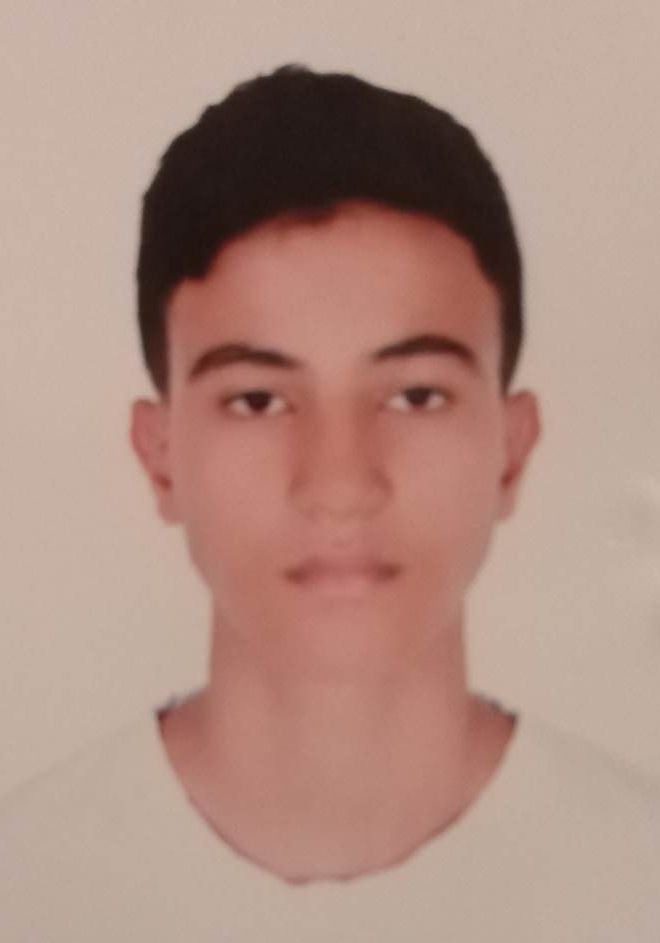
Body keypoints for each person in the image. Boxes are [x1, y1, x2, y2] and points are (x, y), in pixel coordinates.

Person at [1, 63, 658, 941]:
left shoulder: (637, 879)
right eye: (258, 400)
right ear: (159, 459)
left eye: (415, 395)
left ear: (512, 449)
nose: (340, 486)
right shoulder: (26, 885)